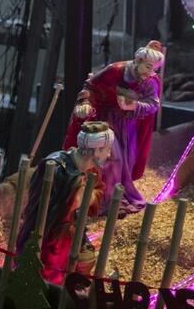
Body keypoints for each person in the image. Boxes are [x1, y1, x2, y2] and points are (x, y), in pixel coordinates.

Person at [63, 41, 164, 215]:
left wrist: (134, 106)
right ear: (138, 60)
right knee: (110, 158)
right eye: (148, 67)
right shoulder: (114, 70)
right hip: (107, 120)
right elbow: (90, 86)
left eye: (154, 69)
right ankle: (104, 202)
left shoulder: (150, 81)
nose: (150, 73)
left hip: (129, 126)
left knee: (127, 162)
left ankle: (115, 196)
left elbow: (153, 104)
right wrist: (85, 102)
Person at [17, 122, 112, 284]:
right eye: (107, 149)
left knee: (84, 260)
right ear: (96, 151)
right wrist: (76, 198)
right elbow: (45, 208)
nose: (109, 154)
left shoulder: (91, 170)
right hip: (49, 235)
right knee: (46, 274)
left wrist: (86, 197)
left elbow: (98, 192)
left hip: (70, 233)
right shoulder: (56, 167)